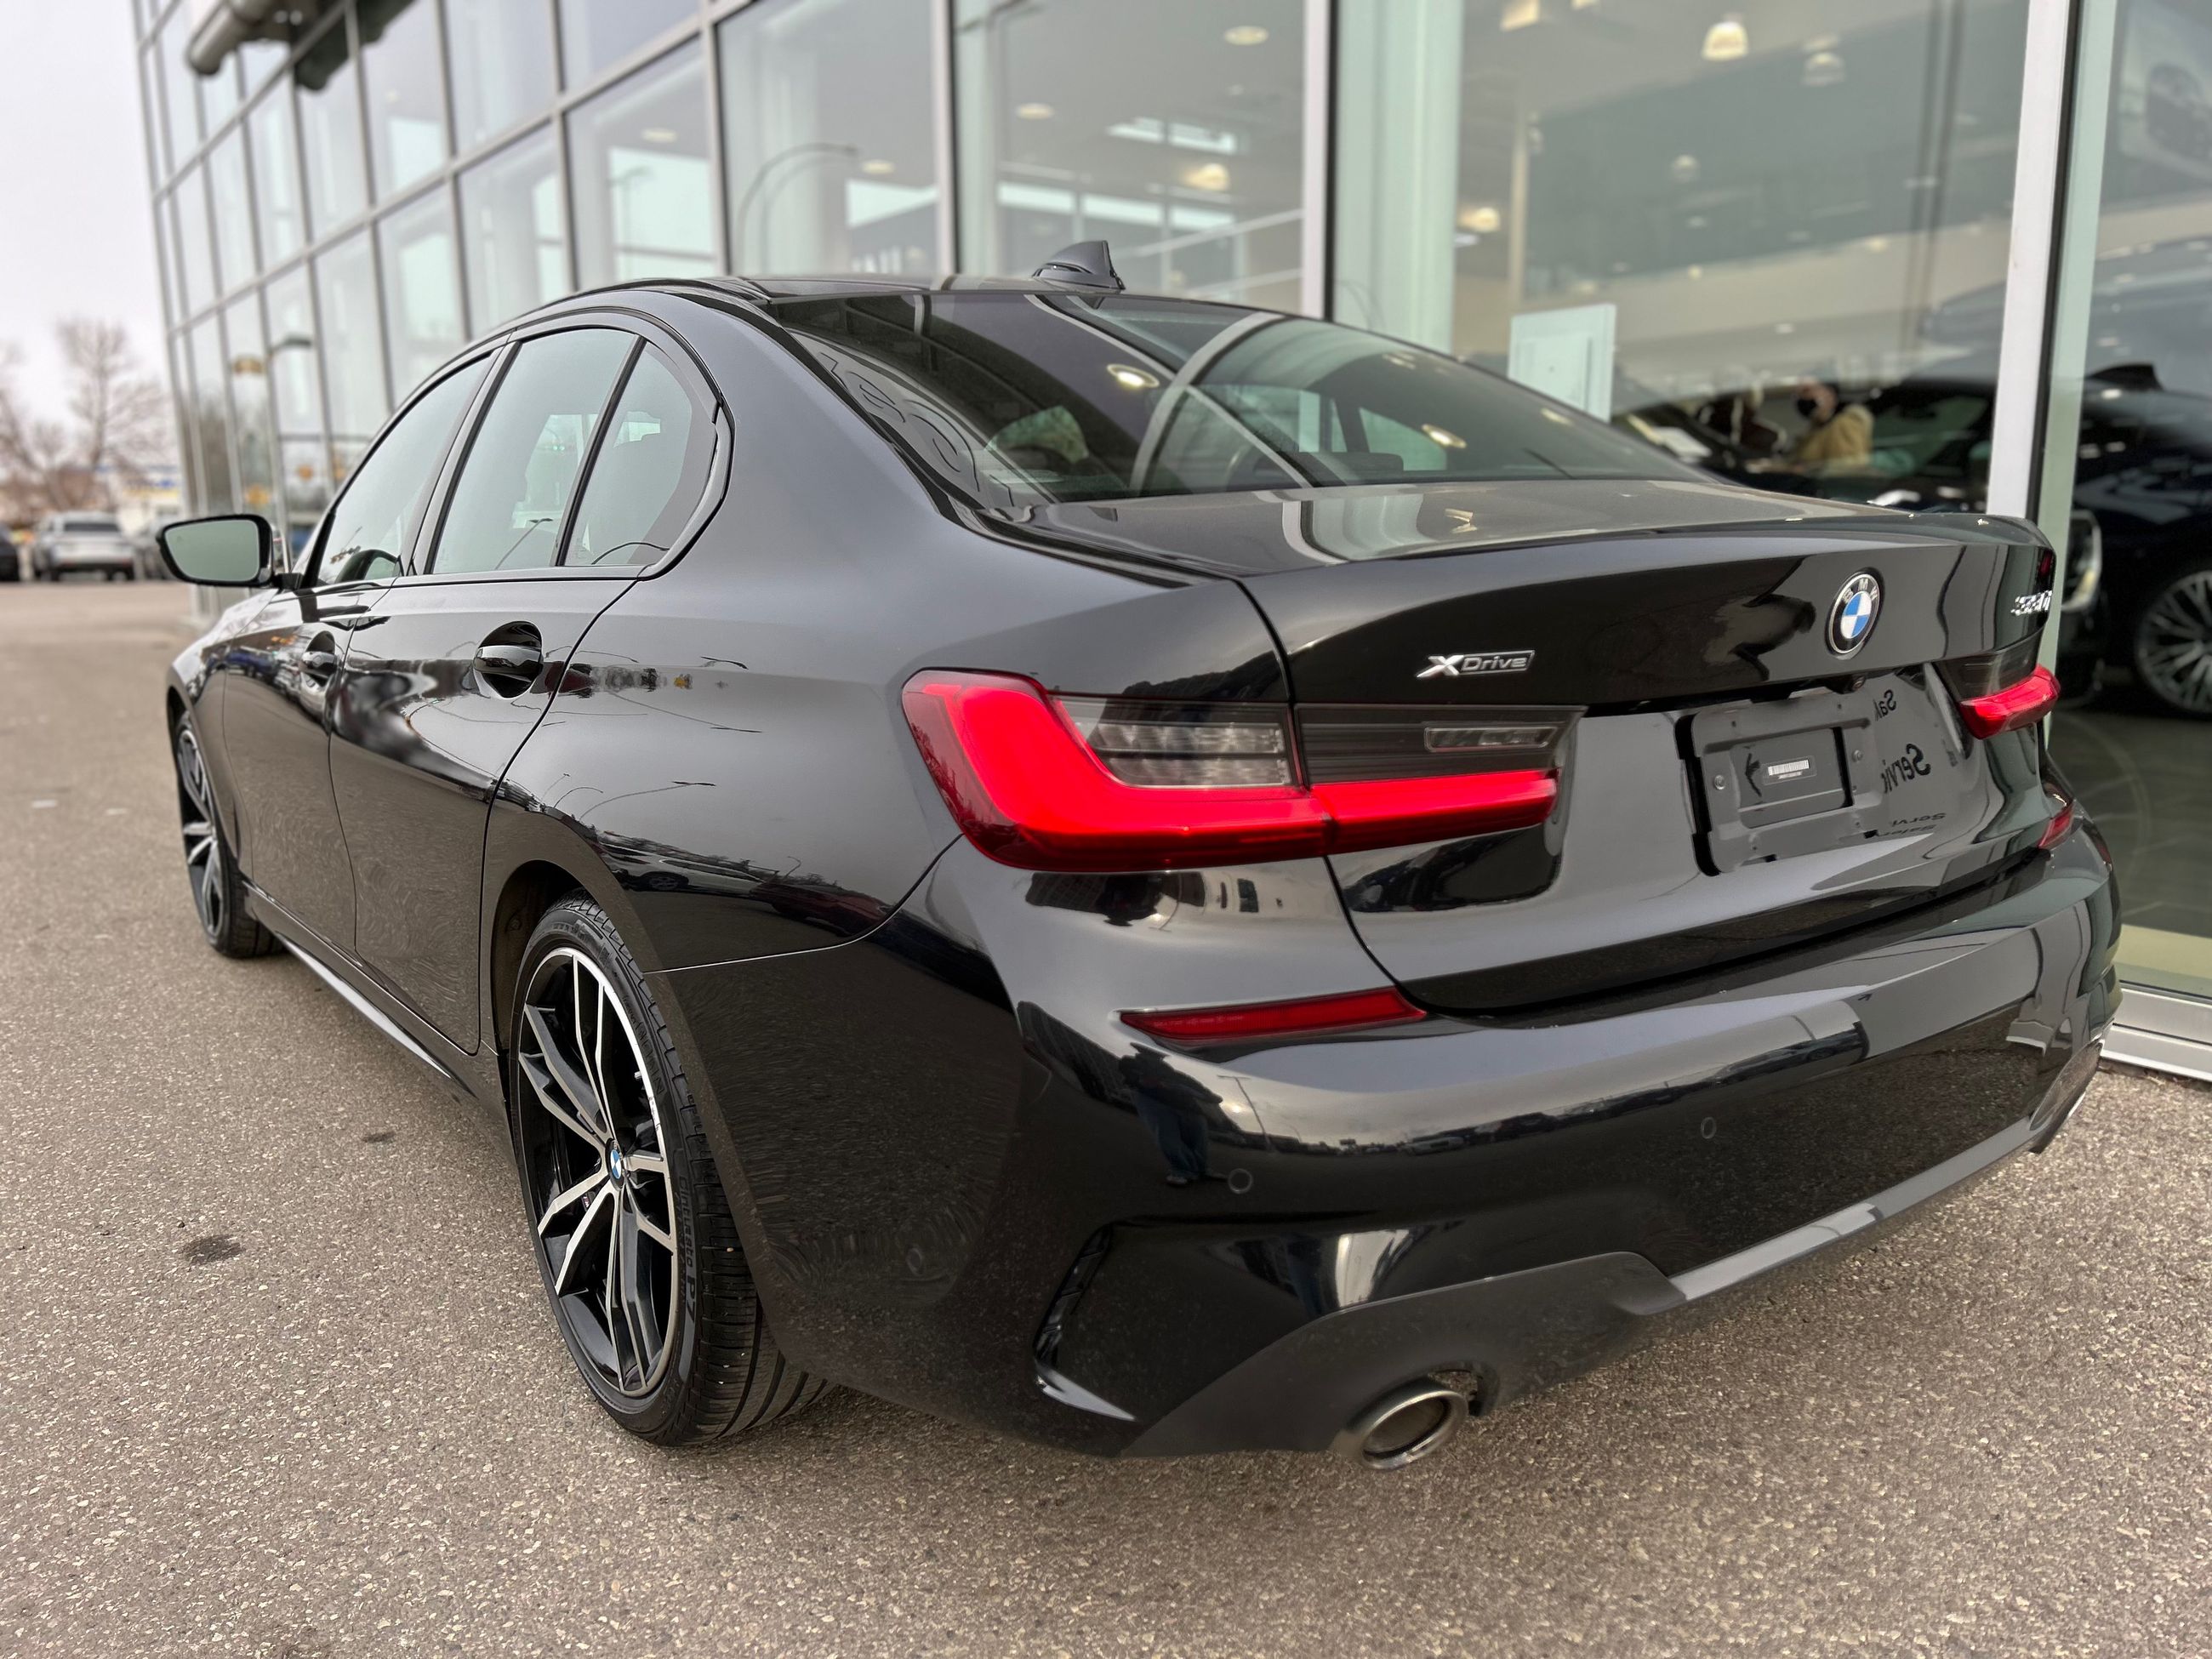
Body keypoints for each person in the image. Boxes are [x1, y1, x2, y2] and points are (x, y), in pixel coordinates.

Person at [1790, 377, 1873, 471]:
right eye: (1797, 393)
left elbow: (1848, 470)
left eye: (1806, 391)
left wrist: (1806, 470)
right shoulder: (1815, 429)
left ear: (1829, 394)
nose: (1801, 397)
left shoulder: (1843, 424)